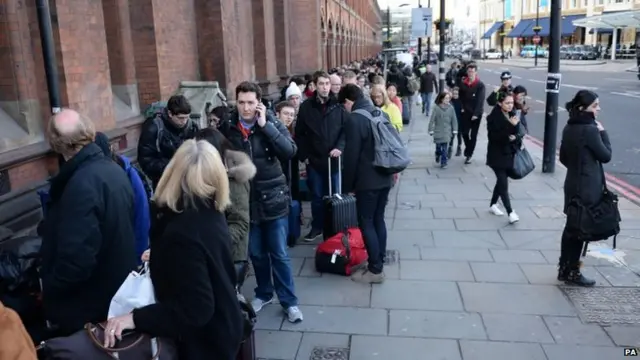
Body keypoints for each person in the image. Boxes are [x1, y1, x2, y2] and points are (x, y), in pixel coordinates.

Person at [104, 139, 244, 360]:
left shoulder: (182, 231)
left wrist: (135, 318)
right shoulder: (210, 210)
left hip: (204, 345)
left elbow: (196, 309)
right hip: (224, 326)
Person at [39, 109, 137, 336]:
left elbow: (76, 261)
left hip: (89, 307)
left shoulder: (80, 185)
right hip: (115, 294)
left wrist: (50, 287)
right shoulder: (113, 170)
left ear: (57, 145)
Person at [220, 81, 303, 323]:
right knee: (256, 253)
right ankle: (264, 293)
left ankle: (289, 301)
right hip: (244, 202)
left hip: (273, 199)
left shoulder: (271, 122)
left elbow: (289, 151)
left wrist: (266, 127)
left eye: (250, 103)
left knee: (279, 253)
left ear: (259, 103)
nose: (246, 108)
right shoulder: (229, 126)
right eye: (241, 102)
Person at [338, 84, 394, 284]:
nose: (345, 109)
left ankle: (375, 270)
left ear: (348, 101)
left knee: (366, 222)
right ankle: (378, 259)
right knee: (379, 219)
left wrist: (347, 187)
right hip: (385, 177)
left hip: (367, 181)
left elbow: (351, 158)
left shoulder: (355, 119)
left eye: (343, 105)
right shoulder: (378, 112)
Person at [558, 90, 611, 287]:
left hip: (572, 184)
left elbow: (563, 158)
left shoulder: (568, 127)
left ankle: (564, 269)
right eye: (595, 106)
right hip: (588, 187)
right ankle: (573, 272)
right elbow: (606, 155)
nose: (598, 109)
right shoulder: (591, 129)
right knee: (580, 229)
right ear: (583, 108)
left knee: (571, 228)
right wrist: (603, 132)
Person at [196, 128, 256, 291]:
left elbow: (239, 222)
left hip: (229, 255)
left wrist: (212, 246)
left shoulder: (234, 179)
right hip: (209, 252)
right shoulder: (204, 174)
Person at [295, 71, 347, 242]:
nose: (325, 87)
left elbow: (346, 130)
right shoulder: (306, 107)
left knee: (336, 195)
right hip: (315, 160)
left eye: (327, 84)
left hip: (334, 160)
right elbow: (300, 134)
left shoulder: (339, 105)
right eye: (321, 84)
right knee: (317, 197)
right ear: (315, 86)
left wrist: (340, 147)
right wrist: (305, 156)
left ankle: (337, 228)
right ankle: (317, 227)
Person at [137, 95, 199, 188]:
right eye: (181, 118)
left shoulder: (192, 127)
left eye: (187, 117)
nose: (184, 122)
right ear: (170, 114)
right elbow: (146, 160)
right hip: (164, 183)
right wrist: (173, 167)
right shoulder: (153, 128)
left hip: (189, 181)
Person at [485, 92, 521, 224]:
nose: (510, 105)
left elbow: (518, 133)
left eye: (512, 102)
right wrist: (510, 126)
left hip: (508, 154)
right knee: (503, 184)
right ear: (500, 103)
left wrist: (515, 136)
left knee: (501, 181)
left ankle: (493, 204)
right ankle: (510, 212)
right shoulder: (493, 118)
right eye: (507, 103)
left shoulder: (511, 114)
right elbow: (494, 138)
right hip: (497, 155)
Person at [458, 63, 486, 164]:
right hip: (465, 112)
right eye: (469, 71)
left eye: (472, 72)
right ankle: (468, 147)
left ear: (476, 72)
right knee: (464, 133)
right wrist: (461, 107)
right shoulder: (463, 83)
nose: (470, 74)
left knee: (473, 135)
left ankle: (469, 154)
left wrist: (476, 114)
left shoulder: (480, 85)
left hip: (476, 114)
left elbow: (480, 100)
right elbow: (460, 98)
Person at [428, 92, 458, 169]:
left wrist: (455, 129)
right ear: (441, 99)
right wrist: (430, 129)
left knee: (445, 148)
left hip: (447, 132)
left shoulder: (451, 108)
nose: (447, 100)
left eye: (448, 98)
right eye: (446, 98)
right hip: (438, 131)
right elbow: (432, 120)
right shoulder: (436, 108)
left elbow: (454, 120)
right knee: (438, 147)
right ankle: (437, 154)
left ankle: (443, 162)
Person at [449, 87, 464, 157]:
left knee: (459, 135)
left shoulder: (461, 101)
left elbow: (463, 111)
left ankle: (459, 148)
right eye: (454, 94)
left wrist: (463, 111)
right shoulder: (450, 101)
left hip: (460, 121)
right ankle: (450, 148)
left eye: (456, 94)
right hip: (452, 122)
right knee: (451, 136)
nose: (455, 95)